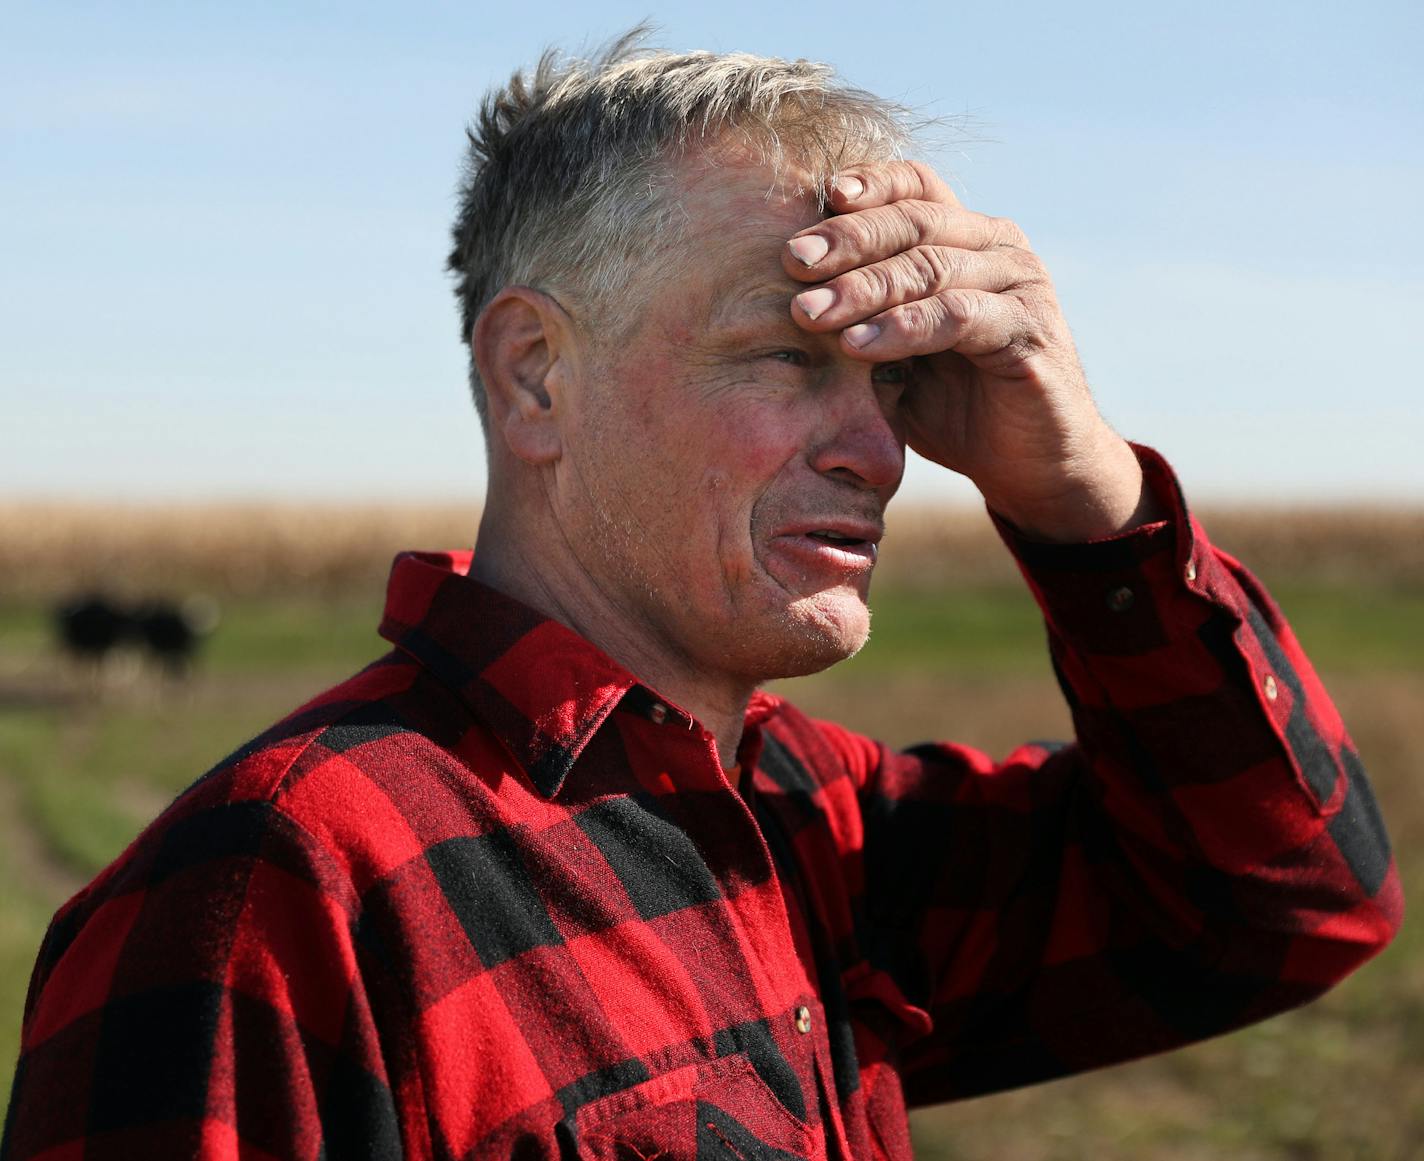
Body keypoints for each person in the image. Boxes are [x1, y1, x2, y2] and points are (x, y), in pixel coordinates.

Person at [2, 34, 1402, 1161]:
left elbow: (1280, 902)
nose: (883, 449)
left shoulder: (812, 821)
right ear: (536, 374)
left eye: (896, 375)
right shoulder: (280, 889)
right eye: (790, 357)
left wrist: (1085, 492)